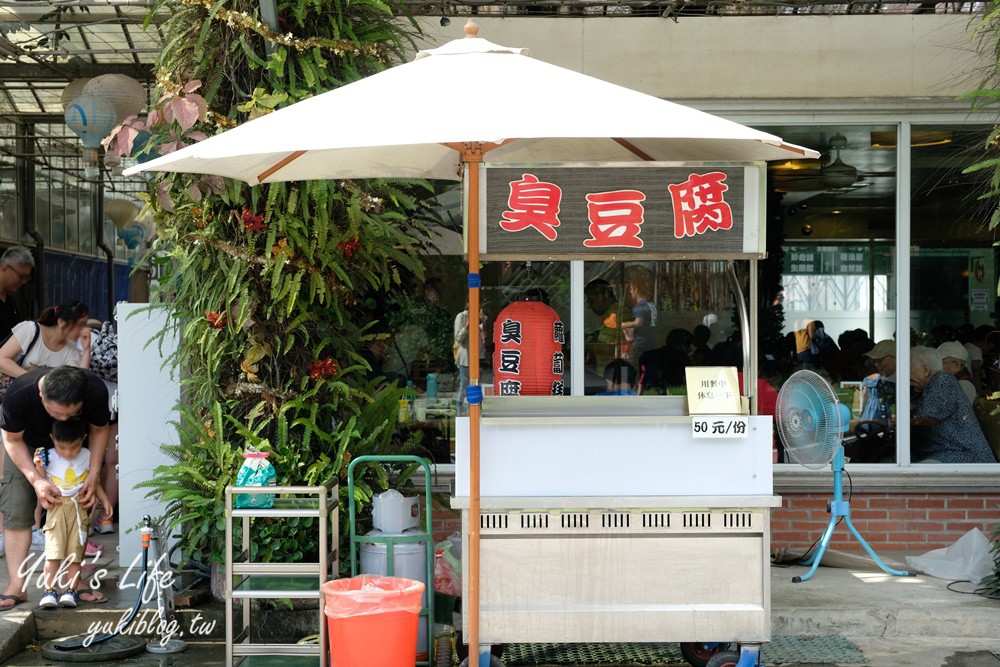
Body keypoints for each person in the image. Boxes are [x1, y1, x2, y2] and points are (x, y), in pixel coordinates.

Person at [0, 366, 110, 609]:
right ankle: (17, 586)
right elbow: (11, 439)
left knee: (78, 510)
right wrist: (37, 479)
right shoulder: (19, 394)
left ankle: (74, 581)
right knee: (16, 506)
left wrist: (93, 475)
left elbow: (99, 429)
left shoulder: (94, 390)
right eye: (56, 413)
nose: (63, 419)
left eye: (72, 413)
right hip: (27, 447)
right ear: (42, 396)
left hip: (73, 447)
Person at [0, 301, 93, 551]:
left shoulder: (72, 352)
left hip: (53, 426)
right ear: (62, 322)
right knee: (11, 477)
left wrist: (86, 350)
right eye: (80, 324)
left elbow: (81, 383)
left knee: (51, 476)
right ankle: (4, 531)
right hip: (17, 413)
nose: (84, 329)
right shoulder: (29, 331)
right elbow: (1, 357)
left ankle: (39, 529)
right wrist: (35, 383)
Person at [31, 418, 112, 608]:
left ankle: (71, 591)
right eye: (62, 448)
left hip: (78, 508)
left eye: (74, 447)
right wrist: (38, 467)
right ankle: (50, 590)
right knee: (53, 552)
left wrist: (105, 499)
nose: (68, 453)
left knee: (75, 554)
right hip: (56, 508)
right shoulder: (48, 456)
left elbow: (93, 481)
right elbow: (43, 482)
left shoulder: (87, 455)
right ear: (52, 439)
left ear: (83, 439)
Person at [909, 346, 995, 463]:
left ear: (925, 369)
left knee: (913, 474)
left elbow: (924, 414)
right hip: (943, 451)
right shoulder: (928, 385)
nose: (906, 374)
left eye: (909, 368)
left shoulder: (942, 380)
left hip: (962, 454)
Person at [584, 279, 625, 373]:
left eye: (591, 300)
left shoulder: (616, 315)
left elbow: (607, 348)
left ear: (605, 295)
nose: (590, 306)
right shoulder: (615, 313)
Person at [620, 268, 657, 362]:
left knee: (631, 365)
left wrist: (623, 325)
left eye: (630, 290)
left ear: (635, 289)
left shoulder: (639, 307)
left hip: (640, 344)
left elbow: (638, 322)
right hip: (652, 343)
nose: (630, 293)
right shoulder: (651, 305)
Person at [0, 247, 34, 342]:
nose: (23, 282)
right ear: (5, 268)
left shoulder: (10, 301)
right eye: (21, 276)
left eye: (26, 278)